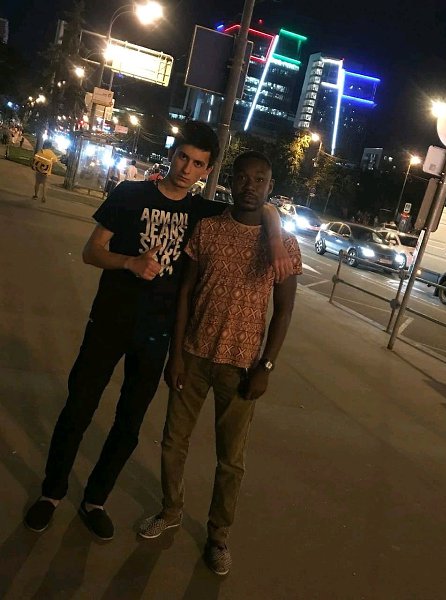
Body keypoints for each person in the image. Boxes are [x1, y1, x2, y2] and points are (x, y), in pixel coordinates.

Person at [24, 122, 292, 541]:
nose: (187, 169)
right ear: (172, 153)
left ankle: (95, 500)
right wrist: (129, 263)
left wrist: (275, 238)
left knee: (129, 423)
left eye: (198, 164)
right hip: (109, 322)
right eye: (183, 157)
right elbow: (91, 251)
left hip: (156, 335)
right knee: (78, 408)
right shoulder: (130, 194)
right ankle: (51, 492)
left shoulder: (202, 212)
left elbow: (261, 205)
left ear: (207, 171)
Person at [138, 150, 302, 576]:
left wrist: (267, 367)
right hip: (193, 356)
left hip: (242, 367)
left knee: (231, 460)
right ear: (230, 180)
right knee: (173, 442)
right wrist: (176, 355)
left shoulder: (283, 245)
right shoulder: (208, 229)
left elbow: (284, 310)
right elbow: (186, 293)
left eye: (260, 180)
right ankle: (170, 509)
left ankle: (218, 536)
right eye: (243, 178)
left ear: (270, 187)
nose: (250, 186)